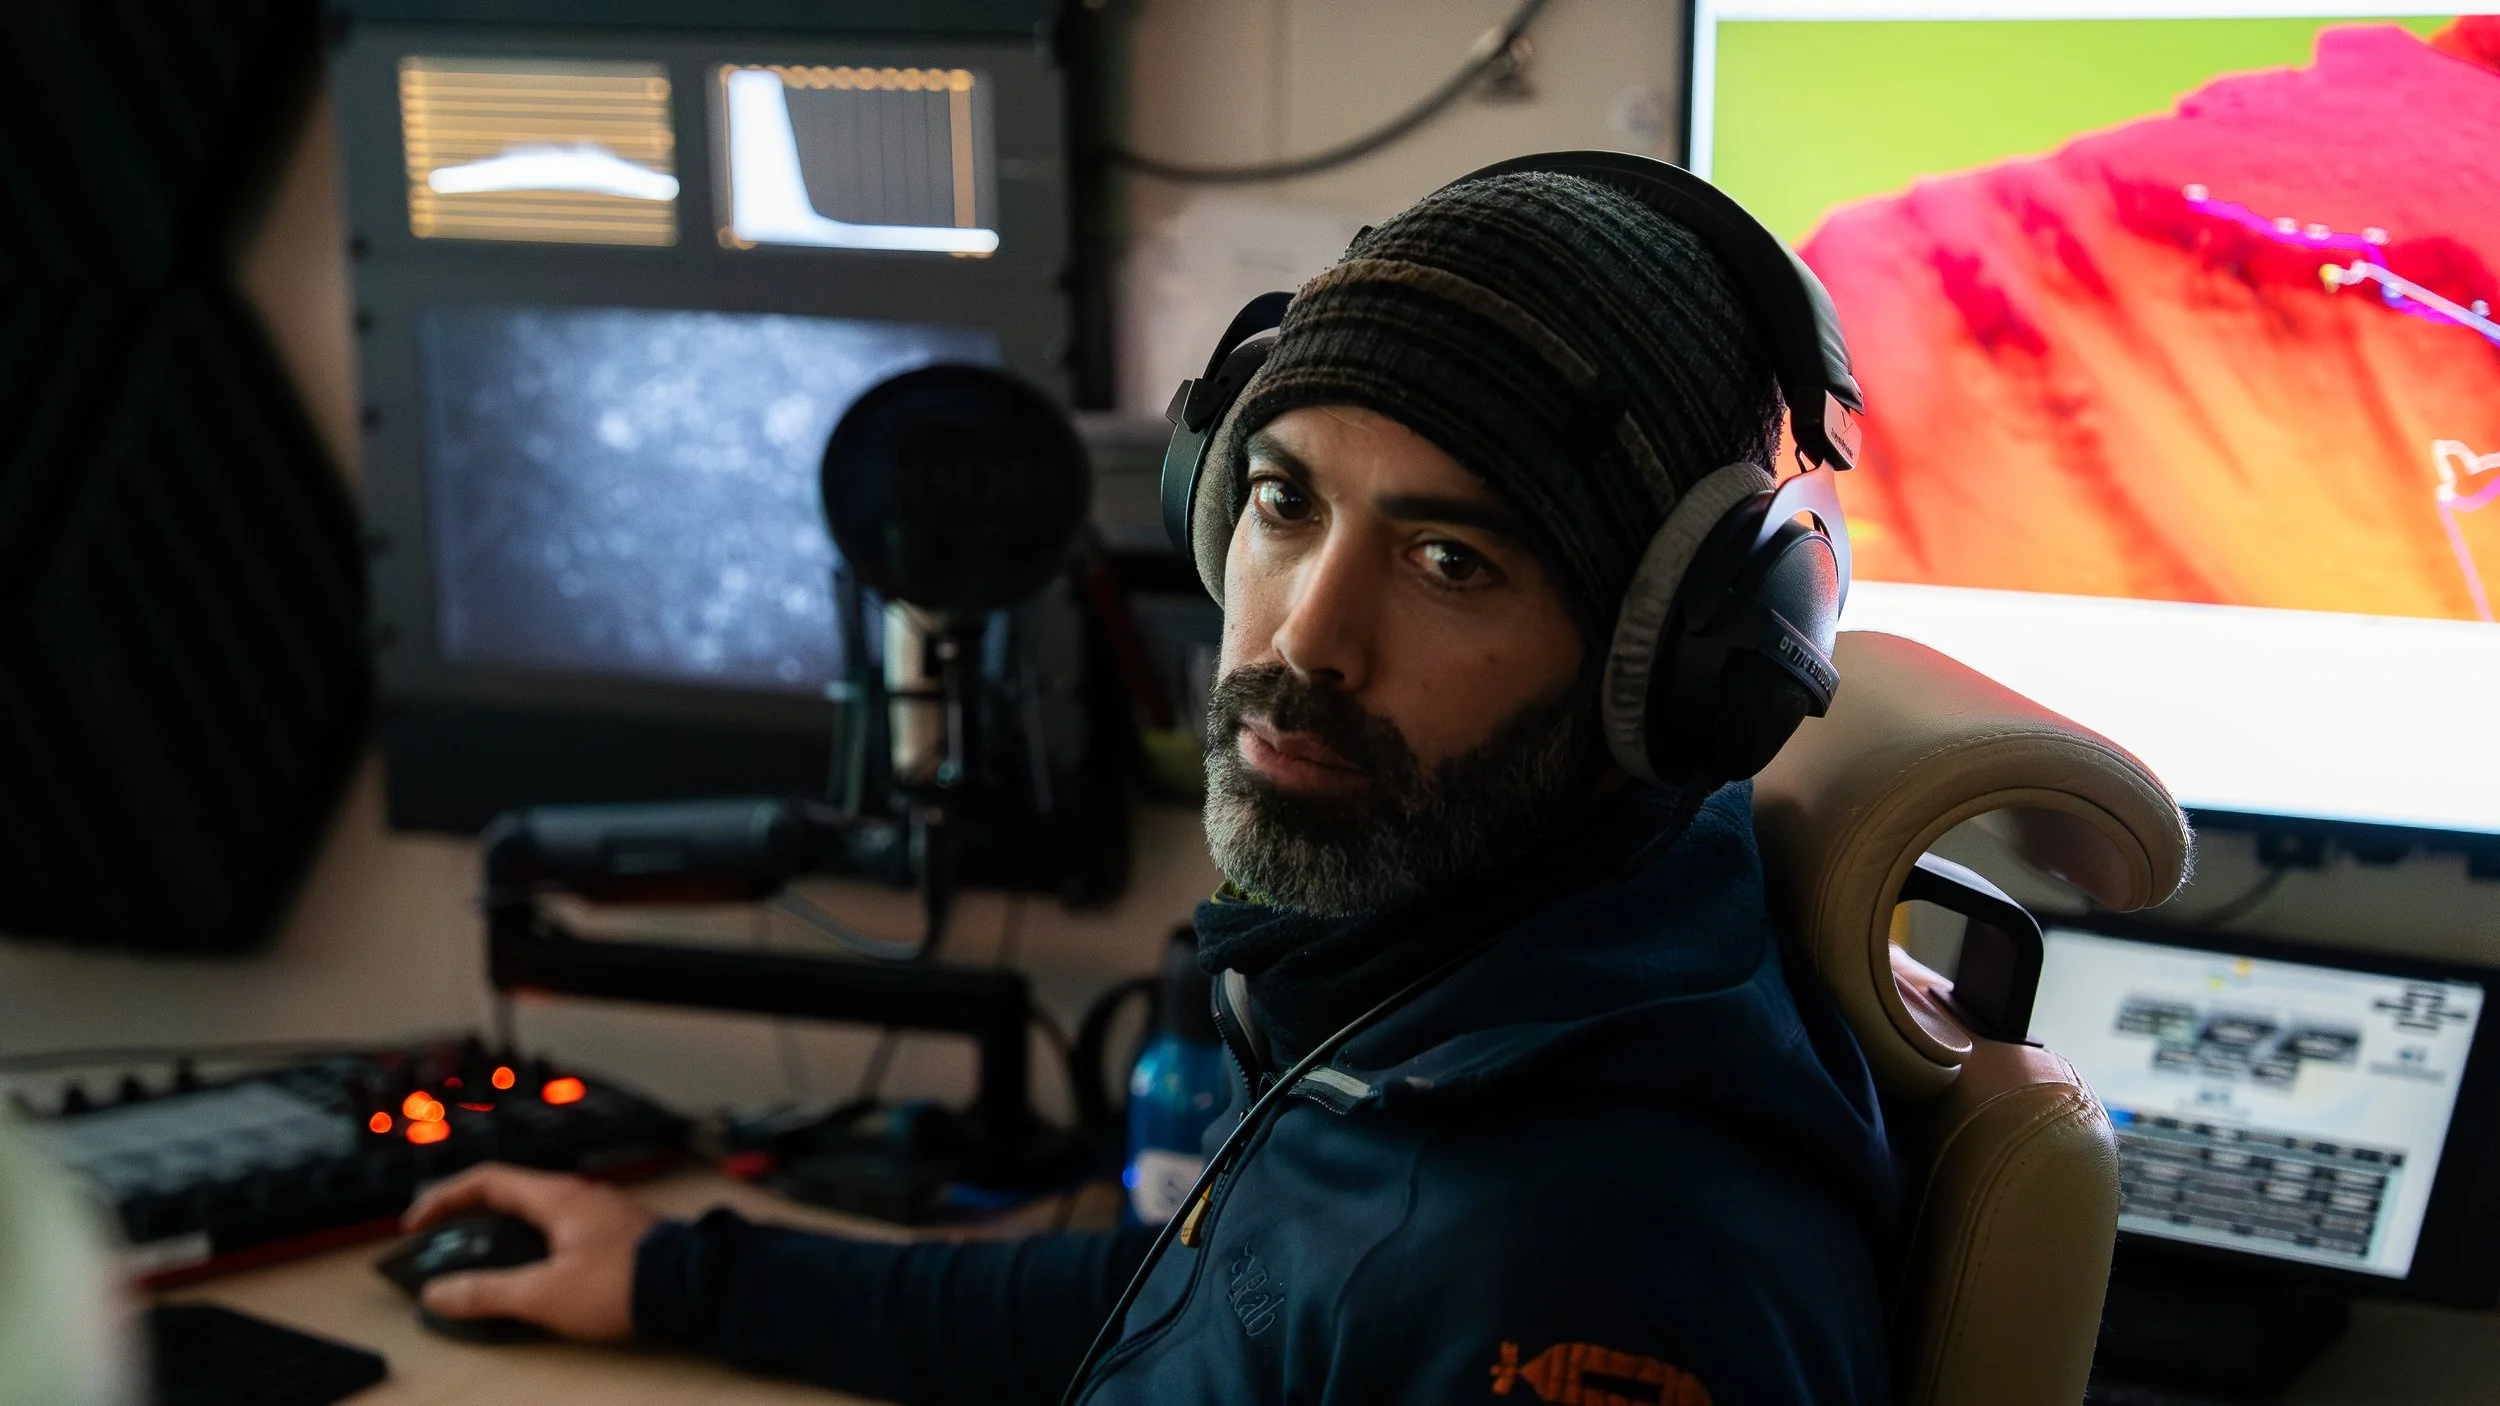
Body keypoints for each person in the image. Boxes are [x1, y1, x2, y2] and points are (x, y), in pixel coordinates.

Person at [405, 165, 1896, 1405]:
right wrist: (680, 1274)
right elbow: (1207, 1293)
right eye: (1283, 501)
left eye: (1453, 560)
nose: (1308, 637)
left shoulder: (1587, 1267)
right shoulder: (1464, 995)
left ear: (1668, 669)